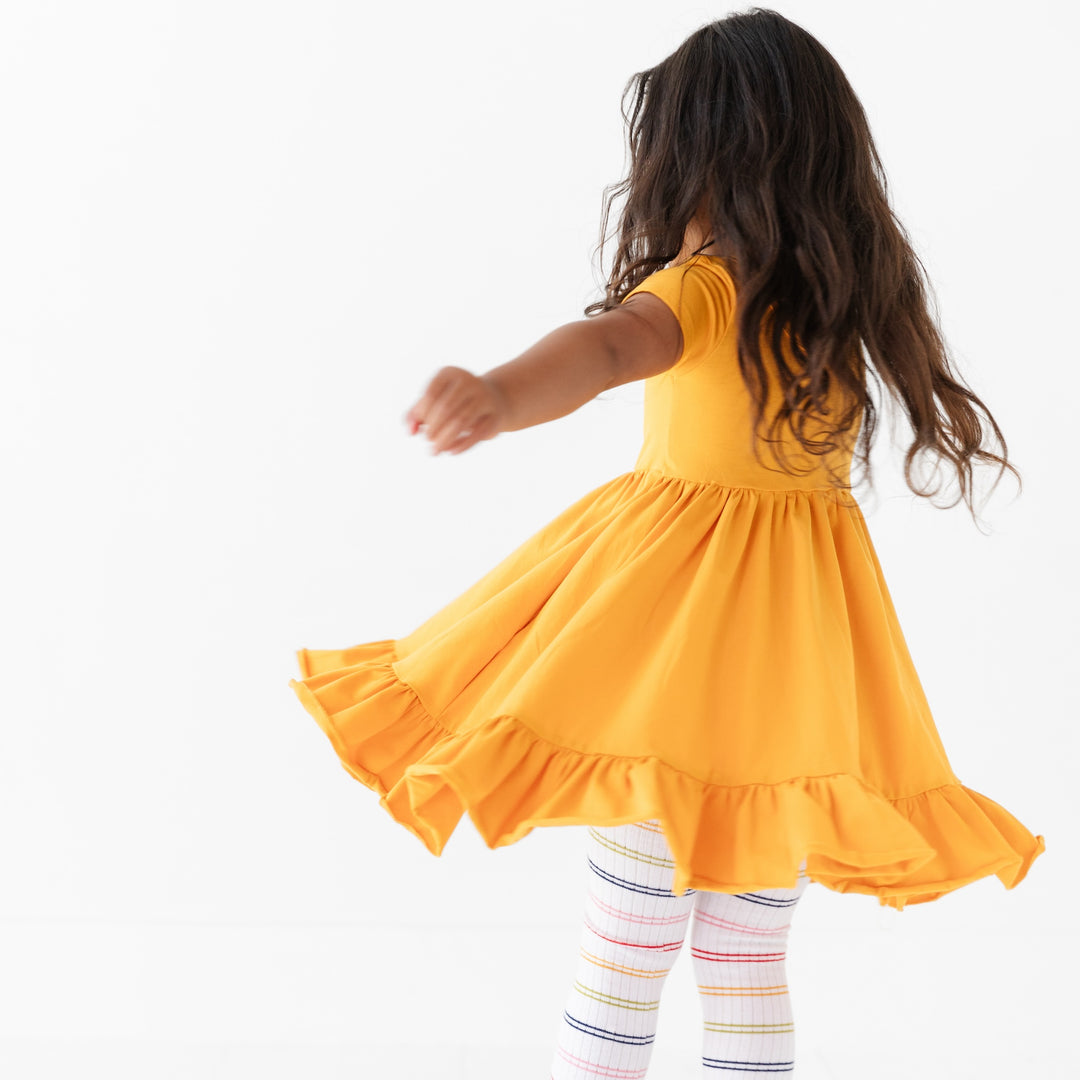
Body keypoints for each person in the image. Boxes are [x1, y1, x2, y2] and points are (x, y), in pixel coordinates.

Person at [288, 8, 1046, 1077]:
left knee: (631, 940)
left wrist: (501, 392)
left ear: (692, 155)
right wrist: (506, 392)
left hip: (664, 662)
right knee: (745, 951)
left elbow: (606, 347)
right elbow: (604, 349)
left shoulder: (711, 286)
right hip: (788, 672)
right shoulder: (841, 300)